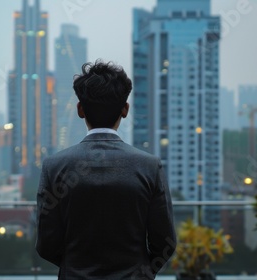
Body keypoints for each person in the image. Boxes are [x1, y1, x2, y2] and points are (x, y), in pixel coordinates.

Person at [36, 60, 175, 279]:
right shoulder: (149, 166)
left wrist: (75, 268)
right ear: (125, 109)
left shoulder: (54, 167)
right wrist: (143, 272)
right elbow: (165, 242)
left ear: (80, 110)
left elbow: (46, 244)